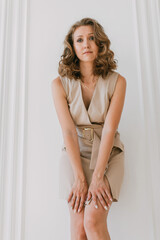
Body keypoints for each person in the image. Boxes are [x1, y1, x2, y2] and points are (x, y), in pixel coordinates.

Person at [51, 17, 126, 240]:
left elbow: (110, 129)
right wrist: (80, 177)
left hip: (108, 153)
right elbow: (68, 131)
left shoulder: (118, 81)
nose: (86, 44)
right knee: (78, 227)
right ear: (72, 47)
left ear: (100, 43)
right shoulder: (59, 84)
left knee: (92, 221)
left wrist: (98, 176)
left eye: (92, 38)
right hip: (75, 154)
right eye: (80, 40)